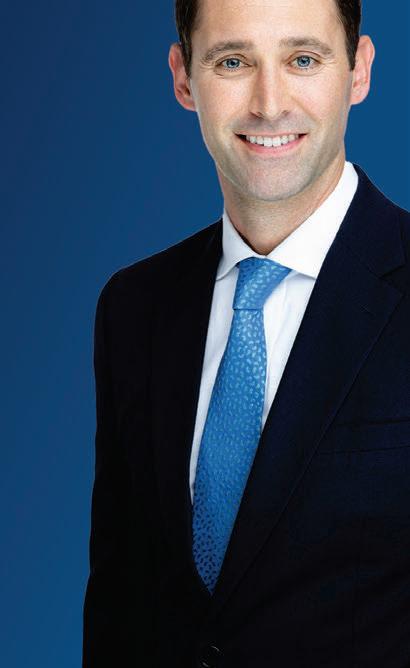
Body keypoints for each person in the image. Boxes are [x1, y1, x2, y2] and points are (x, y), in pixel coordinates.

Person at [82, 0, 410, 665]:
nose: (268, 103)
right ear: (183, 78)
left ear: (359, 70)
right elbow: (119, 601)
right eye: (233, 61)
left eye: (303, 59)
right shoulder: (133, 308)